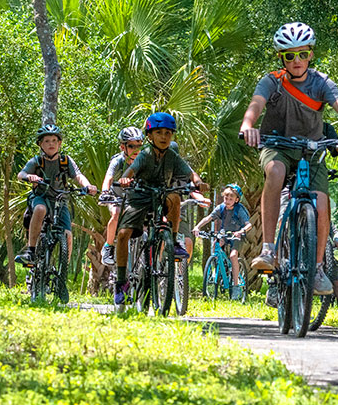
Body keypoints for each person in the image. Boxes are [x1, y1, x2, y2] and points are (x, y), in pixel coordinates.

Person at [239, 22, 338, 306]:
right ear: (281, 58)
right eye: (290, 55)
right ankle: (268, 249)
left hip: (312, 151)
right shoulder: (272, 81)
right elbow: (256, 104)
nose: (296, 60)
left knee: (321, 203)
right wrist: (248, 124)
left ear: (311, 54)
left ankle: (317, 268)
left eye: (302, 54)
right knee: (274, 172)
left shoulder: (322, 82)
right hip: (277, 146)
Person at [113, 112, 209, 304]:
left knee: (174, 197)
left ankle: (171, 242)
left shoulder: (172, 156)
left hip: (162, 194)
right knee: (123, 234)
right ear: (150, 136)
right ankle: (121, 283)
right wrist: (125, 178)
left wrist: (198, 182)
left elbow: (190, 173)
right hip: (140, 196)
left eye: (168, 133)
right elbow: (130, 171)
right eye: (159, 133)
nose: (164, 137)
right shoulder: (145, 154)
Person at [15, 125, 98, 267]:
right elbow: (20, 174)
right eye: (47, 141)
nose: (51, 144)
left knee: (68, 235)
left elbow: (77, 175)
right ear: (41, 144)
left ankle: (62, 275)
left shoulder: (66, 161)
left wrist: (88, 186)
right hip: (41, 196)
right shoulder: (37, 161)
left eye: (54, 140)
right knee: (40, 209)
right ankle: (30, 251)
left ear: (59, 143)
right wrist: (30, 177)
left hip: (60, 200)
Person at [194, 184, 252, 292]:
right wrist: (197, 227)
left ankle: (236, 285)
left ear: (237, 199)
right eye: (226, 198)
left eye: (231, 198)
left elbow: (249, 225)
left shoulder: (239, 210)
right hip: (224, 234)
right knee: (215, 247)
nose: (228, 200)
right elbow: (208, 218)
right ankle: (218, 272)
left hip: (237, 236)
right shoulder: (221, 208)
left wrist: (241, 231)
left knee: (233, 255)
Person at [100, 125, 143, 267]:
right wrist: (105, 192)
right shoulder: (117, 161)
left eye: (139, 145)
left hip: (135, 198)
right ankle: (108, 247)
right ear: (122, 147)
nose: (136, 150)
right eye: (131, 146)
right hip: (116, 197)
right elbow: (108, 178)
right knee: (117, 213)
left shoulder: (144, 161)